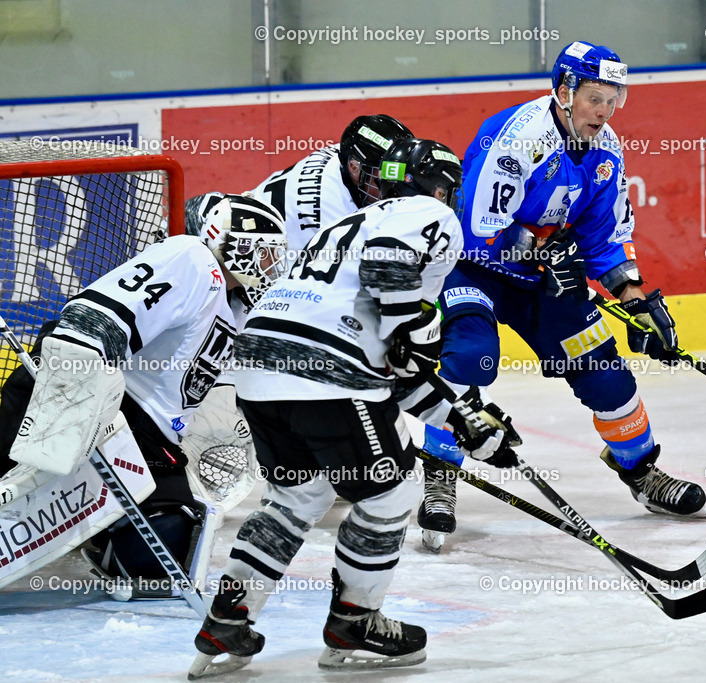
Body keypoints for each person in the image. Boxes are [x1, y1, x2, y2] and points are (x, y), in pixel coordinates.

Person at [190, 137, 503, 676]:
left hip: (261, 367)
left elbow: (394, 375)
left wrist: (463, 422)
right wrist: (410, 324)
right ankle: (355, 620)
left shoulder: (348, 226)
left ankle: (227, 619)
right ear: (440, 186)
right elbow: (390, 279)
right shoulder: (427, 213)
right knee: (391, 492)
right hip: (324, 370)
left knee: (297, 497)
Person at [407, 40, 706, 550]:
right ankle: (440, 474)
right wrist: (543, 249)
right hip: (473, 270)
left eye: (615, 100)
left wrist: (634, 299)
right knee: (472, 358)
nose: (604, 111)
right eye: (596, 97)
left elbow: (603, 238)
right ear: (565, 91)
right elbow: (480, 228)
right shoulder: (518, 138)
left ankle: (641, 473)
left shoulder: (607, 150)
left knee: (607, 376)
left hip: (544, 280)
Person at [2, 193, 287, 598]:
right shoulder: (192, 260)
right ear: (225, 242)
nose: (270, 267)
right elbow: (93, 320)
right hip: (76, 398)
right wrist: (77, 414)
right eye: (263, 254)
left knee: (159, 555)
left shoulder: (242, 306)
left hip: (142, 437)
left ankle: (96, 534)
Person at [185, 114, 414, 269]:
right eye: (381, 179)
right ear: (355, 169)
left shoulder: (342, 154)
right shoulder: (336, 220)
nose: (392, 189)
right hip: (251, 260)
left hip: (239, 217)